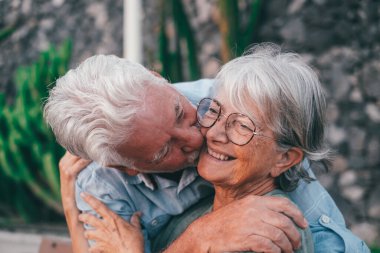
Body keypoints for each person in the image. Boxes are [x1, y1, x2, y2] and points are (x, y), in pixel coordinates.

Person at [45, 50, 369, 253]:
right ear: (126, 167)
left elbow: (320, 232)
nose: (204, 134)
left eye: (179, 113)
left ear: (159, 80)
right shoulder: (103, 184)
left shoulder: (227, 99)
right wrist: (199, 238)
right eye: (163, 151)